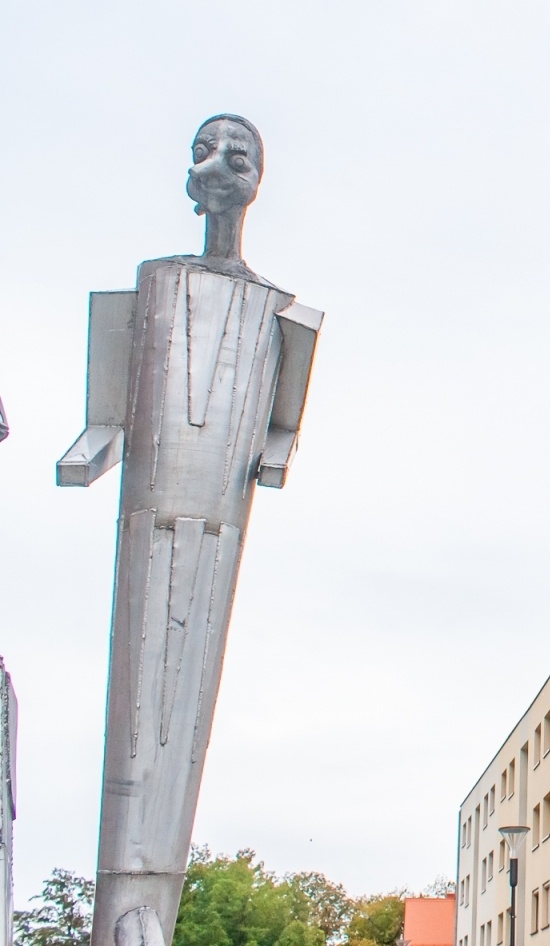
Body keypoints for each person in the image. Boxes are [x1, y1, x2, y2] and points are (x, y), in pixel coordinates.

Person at [58, 116, 322, 946]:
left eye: (240, 155)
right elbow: (101, 421)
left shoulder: (281, 312)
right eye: (209, 150)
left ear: (258, 179)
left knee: (189, 689)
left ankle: (149, 907)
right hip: (149, 517)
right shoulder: (154, 283)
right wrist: (93, 447)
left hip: (219, 527)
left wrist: (271, 451)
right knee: (142, 690)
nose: (222, 166)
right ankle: (125, 905)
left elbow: (280, 436)